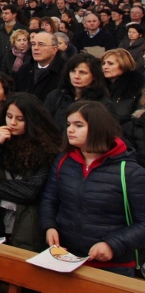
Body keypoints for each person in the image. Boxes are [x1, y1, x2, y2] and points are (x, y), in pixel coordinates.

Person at [0, 93, 59, 293]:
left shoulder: (45, 148)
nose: (13, 123)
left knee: (24, 277)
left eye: (20, 119)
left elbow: (31, 192)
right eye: (9, 117)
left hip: (26, 222)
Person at [41, 101, 145, 277]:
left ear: (98, 128)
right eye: (68, 124)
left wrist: (112, 245)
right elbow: (49, 199)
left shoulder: (130, 172)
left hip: (112, 267)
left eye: (78, 125)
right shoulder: (63, 161)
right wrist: (49, 226)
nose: (70, 130)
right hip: (66, 258)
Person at [44, 52, 116, 131]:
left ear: (94, 76)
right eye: (73, 71)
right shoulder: (56, 96)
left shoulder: (103, 104)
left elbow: (108, 132)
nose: (76, 76)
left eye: (83, 73)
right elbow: (43, 125)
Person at [101, 48, 144, 125]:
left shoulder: (138, 87)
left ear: (124, 65)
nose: (105, 67)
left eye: (110, 64)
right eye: (103, 63)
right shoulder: (97, 87)